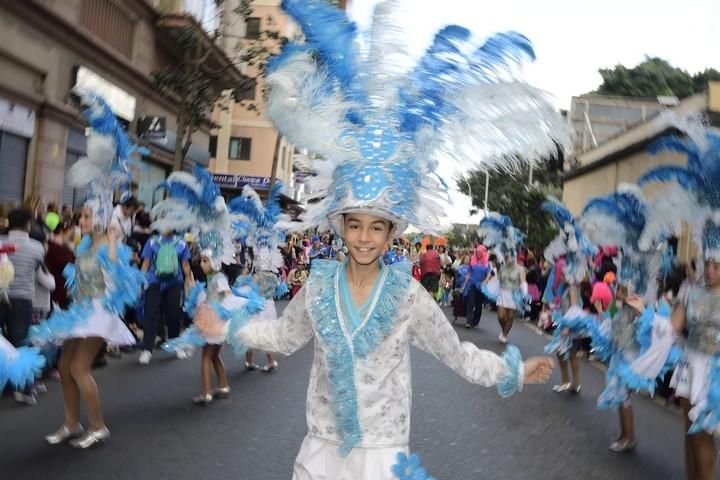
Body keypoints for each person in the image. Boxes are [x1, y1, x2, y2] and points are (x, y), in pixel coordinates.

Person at [229, 1, 566, 475]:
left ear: (392, 234)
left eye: (377, 226)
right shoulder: (319, 286)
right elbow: (283, 337)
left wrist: (513, 371)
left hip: (384, 454)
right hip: (321, 451)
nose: (364, 237)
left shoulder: (407, 296)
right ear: (340, 226)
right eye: (355, 223)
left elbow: (456, 354)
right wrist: (227, 327)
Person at [157, 168, 264, 404]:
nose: (201, 263)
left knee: (206, 357)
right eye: (201, 260)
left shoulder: (218, 278)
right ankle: (223, 385)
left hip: (215, 323)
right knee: (212, 356)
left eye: (204, 260)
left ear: (214, 261)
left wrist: (243, 305)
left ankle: (206, 392)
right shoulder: (212, 278)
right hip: (214, 321)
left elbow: (228, 296)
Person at [542, 197, 596, 394]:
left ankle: (570, 382)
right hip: (570, 308)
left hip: (571, 309)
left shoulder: (573, 266)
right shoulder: (571, 264)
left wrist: (568, 282)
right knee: (570, 351)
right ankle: (573, 383)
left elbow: (574, 286)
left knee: (563, 349)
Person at [0, 208, 46, 404]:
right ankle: (23, 389)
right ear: (28, 224)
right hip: (23, 299)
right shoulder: (37, 247)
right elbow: (38, 269)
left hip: (1, 296)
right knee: (21, 343)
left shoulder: (1, 242)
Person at [137, 229, 193, 364]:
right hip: (153, 282)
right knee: (151, 312)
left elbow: (185, 265)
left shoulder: (181, 243)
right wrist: (140, 282)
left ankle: (176, 344)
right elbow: (145, 263)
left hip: (174, 282)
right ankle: (147, 349)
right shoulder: (151, 242)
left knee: (173, 314)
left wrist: (190, 281)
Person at [478, 214, 528, 344]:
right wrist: (486, 281)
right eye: (505, 255)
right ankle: (503, 329)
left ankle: (505, 334)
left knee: (510, 317)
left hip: (514, 294)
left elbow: (523, 282)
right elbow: (494, 273)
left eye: (509, 255)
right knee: (501, 316)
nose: (507, 257)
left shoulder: (520, 269)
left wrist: (525, 293)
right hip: (502, 292)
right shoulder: (502, 266)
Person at [462, 245, 489, 328]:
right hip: (472, 285)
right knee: (470, 302)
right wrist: (464, 286)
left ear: (483, 253)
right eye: (477, 252)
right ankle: (468, 321)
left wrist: (484, 282)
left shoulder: (487, 264)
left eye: (480, 252)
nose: (478, 254)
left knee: (478, 304)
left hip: (481, 286)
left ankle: (475, 321)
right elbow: (468, 274)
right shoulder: (472, 262)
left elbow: (489, 274)